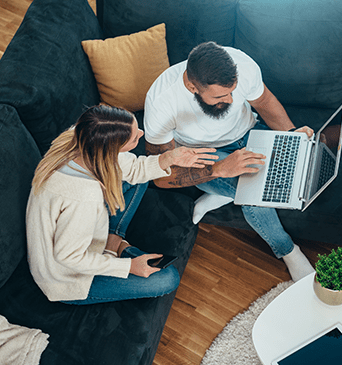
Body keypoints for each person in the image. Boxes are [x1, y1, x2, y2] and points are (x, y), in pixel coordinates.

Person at [144, 41, 315, 282]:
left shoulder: (242, 65)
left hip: (248, 132)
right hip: (201, 154)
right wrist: (219, 169)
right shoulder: (162, 103)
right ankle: (288, 251)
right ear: (193, 86)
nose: (232, 100)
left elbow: (264, 102)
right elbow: (160, 176)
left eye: (233, 91)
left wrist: (292, 135)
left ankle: (222, 193)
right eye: (222, 96)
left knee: (295, 164)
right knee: (256, 195)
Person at [26, 104, 218, 305]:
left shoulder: (80, 136)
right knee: (167, 279)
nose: (141, 134)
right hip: (66, 276)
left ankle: (112, 240)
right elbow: (69, 257)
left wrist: (167, 159)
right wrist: (128, 267)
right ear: (111, 150)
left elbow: (134, 169)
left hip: (82, 229)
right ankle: (117, 247)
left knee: (140, 176)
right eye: (135, 138)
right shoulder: (82, 197)